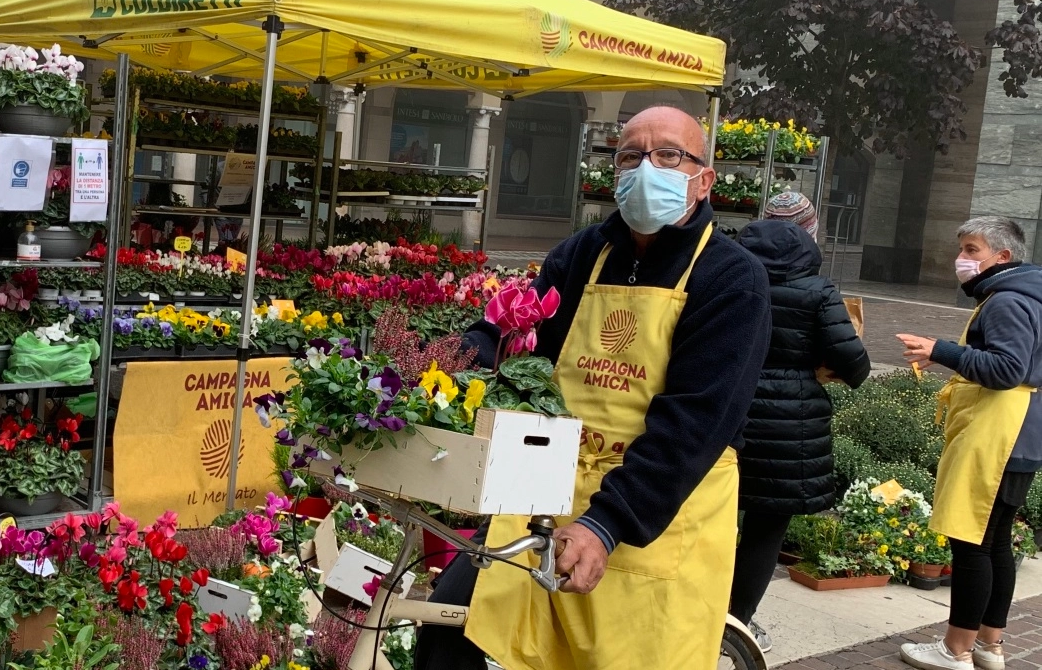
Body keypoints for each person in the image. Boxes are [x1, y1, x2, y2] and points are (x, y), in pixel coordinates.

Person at [415, 106, 773, 670]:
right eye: (630, 155)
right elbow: (510, 332)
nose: (646, 167)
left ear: (703, 180)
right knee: (452, 627)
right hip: (549, 495)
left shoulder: (731, 278)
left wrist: (607, 523)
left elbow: (695, 425)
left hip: (654, 511)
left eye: (668, 155)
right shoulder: (584, 254)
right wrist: (439, 366)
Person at [896, 216, 1042, 670]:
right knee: (996, 542)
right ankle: (988, 645)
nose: (962, 259)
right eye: (962, 248)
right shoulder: (1029, 295)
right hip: (1022, 436)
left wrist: (939, 349)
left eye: (973, 250)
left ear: (1003, 257)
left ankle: (955, 649)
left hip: (998, 434)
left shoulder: (1007, 301)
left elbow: (1005, 370)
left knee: (972, 541)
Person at [729, 217, 870, 651]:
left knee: (705, 518)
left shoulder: (727, 280)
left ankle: (690, 607)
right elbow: (854, 363)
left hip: (727, 411)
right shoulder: (818, 291)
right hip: (790, 427)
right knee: (765, 530)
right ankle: (736, 624)